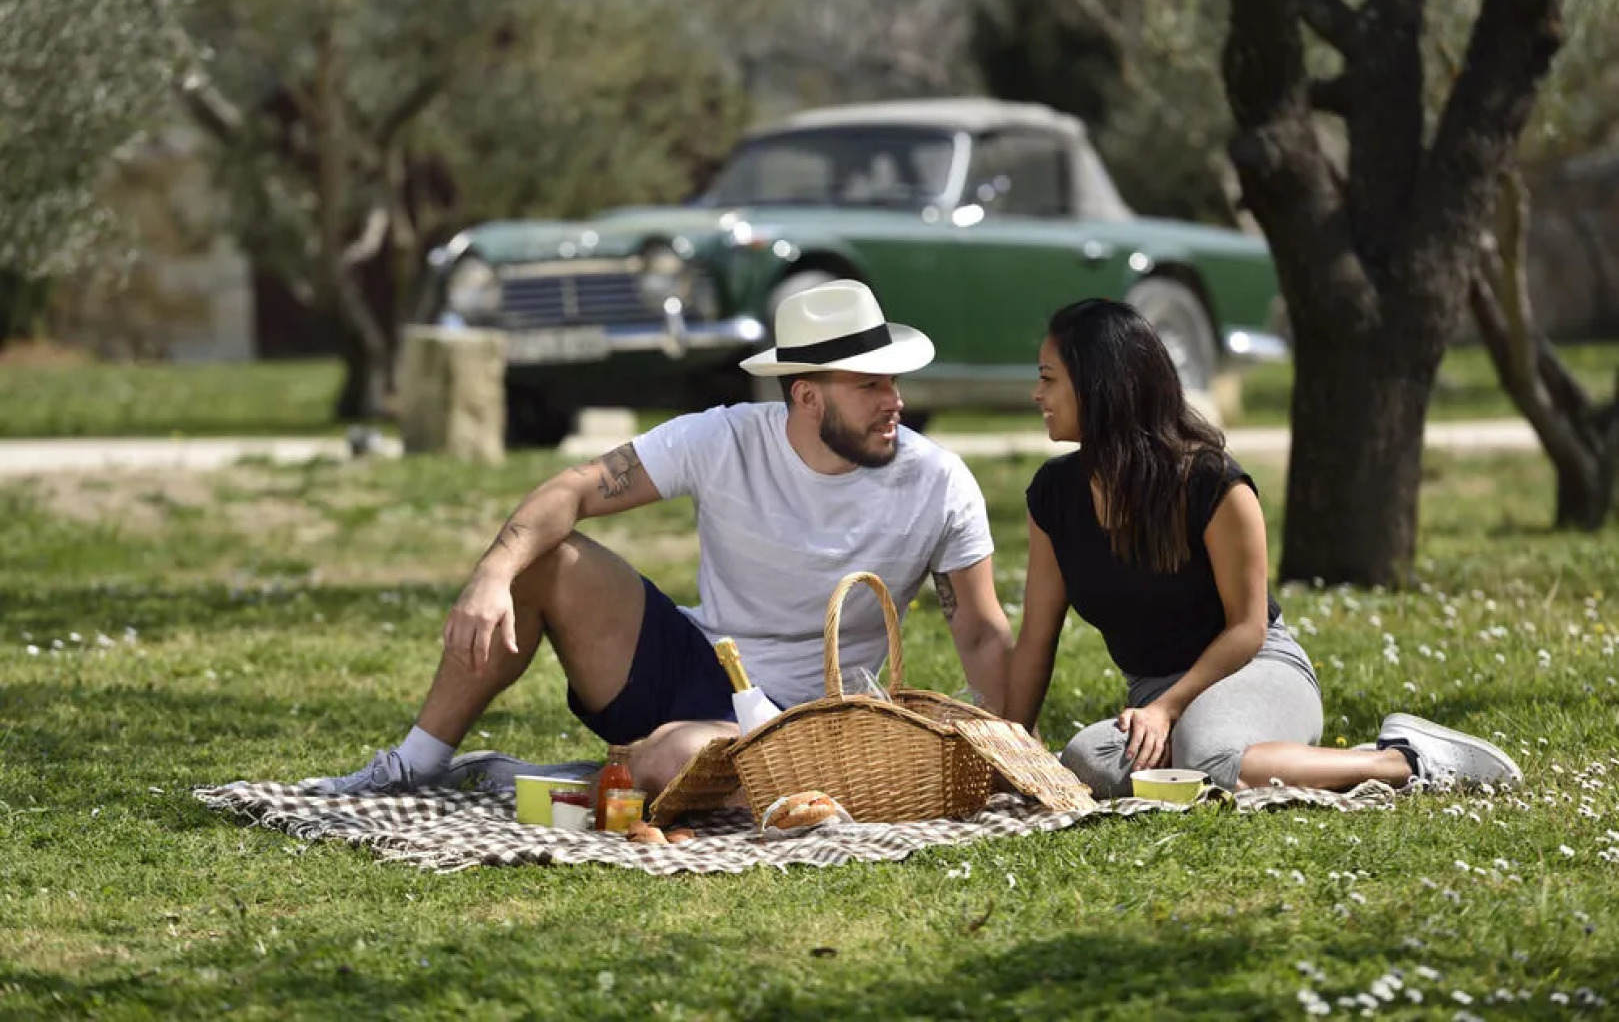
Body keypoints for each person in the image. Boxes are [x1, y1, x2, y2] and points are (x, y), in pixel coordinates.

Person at [305, 280, 1013, 798]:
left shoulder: (938, 482)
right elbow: (572, 490)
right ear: (806, 396)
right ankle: (417, 763)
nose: (894, 402)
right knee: (544, 559)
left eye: (893, 381)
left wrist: (1013, 748)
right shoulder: (723, 437)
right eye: (869, 386)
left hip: (815, 722)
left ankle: (576, 779)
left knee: (688, 757)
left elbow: (982, 633)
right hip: (698, 669)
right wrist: (491, 577)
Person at [1001, 298, 1522, 797]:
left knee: (1207, 758)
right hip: (1157, 698)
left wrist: (1168, 709)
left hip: (1254, 671)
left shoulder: (1211, 483)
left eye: (1048, 378)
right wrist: (1011, 753)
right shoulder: (1053, 494)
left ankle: (1404, 761)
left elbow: (1247, 628)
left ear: (1099, 385)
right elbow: (1035, 642)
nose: (1036, 394)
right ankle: (1246, 759)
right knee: (1086, 760)